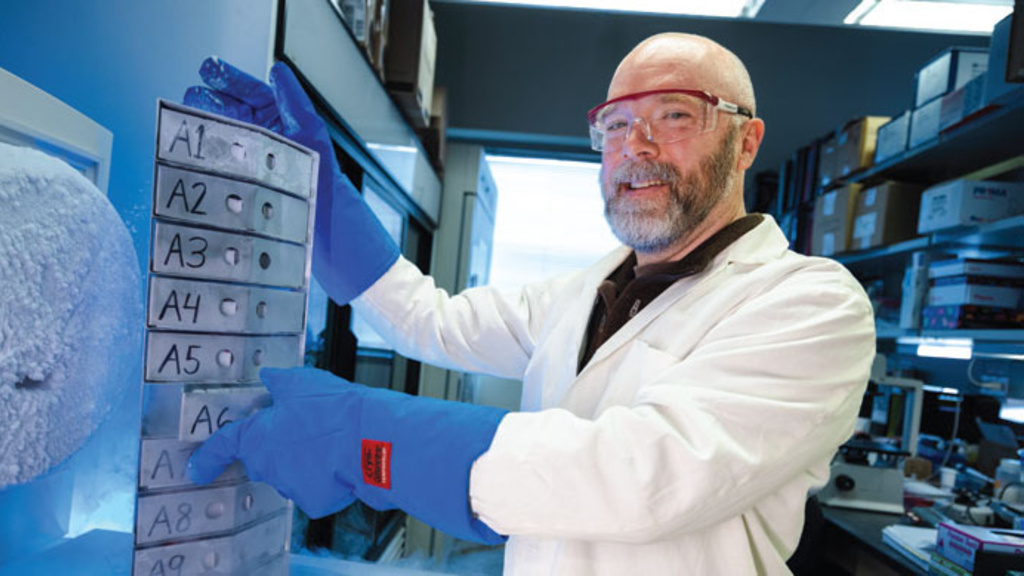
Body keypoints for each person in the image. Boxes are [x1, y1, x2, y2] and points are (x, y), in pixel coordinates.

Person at [185, 32, 875, 575]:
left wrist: (371, 438)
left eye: (675, 115)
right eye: (615, 124)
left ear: (746, 140)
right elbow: (429, 321)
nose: (637, 145)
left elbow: (640, 475)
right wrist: (321, 196)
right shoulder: (584, 292)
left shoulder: (810, 305)